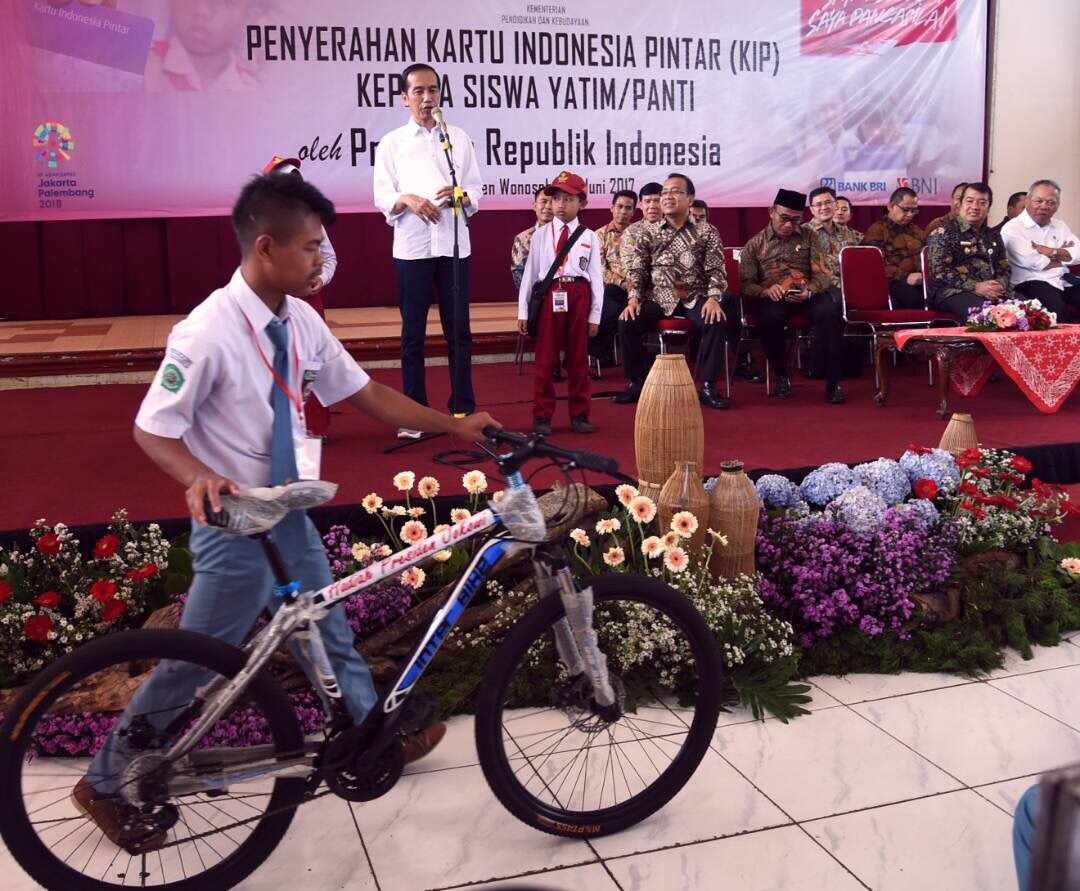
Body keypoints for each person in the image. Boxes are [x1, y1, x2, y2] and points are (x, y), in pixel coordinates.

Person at [74, 173, 498, 853]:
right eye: (309, 248)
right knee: (197, 663)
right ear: (265, 247)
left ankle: (369, 731)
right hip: (236, 523)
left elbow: (367, 394)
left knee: (327, 627)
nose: (320, 261)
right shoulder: (207, 330)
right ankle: (103, 782)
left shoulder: (299, 320)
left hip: (287, 508)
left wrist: (454, 425)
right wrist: (197, 474)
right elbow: (152, 428)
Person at [373, 63, 484, 439]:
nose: (427, 98)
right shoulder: (392, 143)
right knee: (413, 335)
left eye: (433, 90)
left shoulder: (457, 138)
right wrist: (407, 199)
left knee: (460, 333)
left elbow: (476, 190)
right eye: (418, 91)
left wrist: (460, 194)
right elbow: (382, 195)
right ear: (404, 98)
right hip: (412, 248)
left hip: (454, 246)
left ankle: (462, 409)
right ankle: (415, 413)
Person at [614, 173, 734, 410]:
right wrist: (634, 298)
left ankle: (709, 386)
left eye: (675, 191)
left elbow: (716, 269)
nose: (668, 196)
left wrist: (713, 298)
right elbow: (637, 269)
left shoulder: (707, 232)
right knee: (627, 320)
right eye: (665, 192)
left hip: (694, 296)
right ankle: (637, 382)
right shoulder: (647, 232)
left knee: (716, 320)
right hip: (658, 297)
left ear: (690, 199)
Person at [740, 188, 846, 404]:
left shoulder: (810, 236)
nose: (789, 225)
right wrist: (765, 291)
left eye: (795, 220)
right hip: (774, 297)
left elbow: (823, 273)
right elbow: (745, 283)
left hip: (807, 294)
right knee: (768, 319)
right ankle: (782, 376)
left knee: (830, 313)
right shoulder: (755, 244)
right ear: (771, 212)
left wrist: (811, 289)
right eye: (784, 218)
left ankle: (834, 382)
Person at [517, 171, 603, 435]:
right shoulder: (540, 235)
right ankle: (542, 416)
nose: (560, 205)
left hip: (579, 294)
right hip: (551, 293)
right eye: (555, 199)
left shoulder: (589, 236)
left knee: (578, 358)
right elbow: (530, 273)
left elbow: (597, 277)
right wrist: (523, 309)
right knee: (545, 358)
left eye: (568, 199)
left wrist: (595, 315)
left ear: (583, 203)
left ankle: (580, 414)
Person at [264, 155, 337, 437]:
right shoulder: (261, 223)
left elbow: (330, 259)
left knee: (310, 360)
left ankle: (312, 423)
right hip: (274, 301)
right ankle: (278, 422)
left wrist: (320, 278)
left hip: (308, 300)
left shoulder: (312, 221)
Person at [927, 182, 1013, 320]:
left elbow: (1004, 267)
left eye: (982, 202)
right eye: (970, 201)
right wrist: (976, 286)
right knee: (990, 317)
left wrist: (999, 286)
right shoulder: (943, 233)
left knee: (1028, 311)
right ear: (960, 204)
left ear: (989, 208)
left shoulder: (993, 235)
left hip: (992, 292)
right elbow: (939, 273)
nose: (975, 207)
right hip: (952, 293)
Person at [1001, 179, 1080, 320]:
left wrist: (1051, 252)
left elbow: (1078, 254)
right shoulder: (1013, 228)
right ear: (1027, 201)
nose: (1044, 206)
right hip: (1030, 282)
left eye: (1051, 202)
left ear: (1057, 206)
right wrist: (1064, 256)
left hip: (1062, 280)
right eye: (1039, 201)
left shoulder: (1060, 226)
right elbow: (1033, 262)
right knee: (1057, 311)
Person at [144, 0, 258, 92]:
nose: (201, 10)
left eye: (225, 2)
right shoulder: (138, 69)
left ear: (246, 17)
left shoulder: (251, 94)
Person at [589, 189, 637, 365]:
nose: (623, 211)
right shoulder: (598, 235)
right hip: (614, 286)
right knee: (608, 300)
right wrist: (623, 283)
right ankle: (599, 353)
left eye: (628, 208)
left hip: (639, 286)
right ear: (611, 208)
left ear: (634, 211)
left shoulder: (640, 233)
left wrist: (636, 284)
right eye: (620, 206)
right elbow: (599, 268)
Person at [863, 187, 927, 310]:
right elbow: (874, 265)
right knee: (914, 299)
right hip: (890, 281)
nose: (910, 215)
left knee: (937, 296)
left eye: (914, 211)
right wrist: (905, 277)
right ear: (890, 206)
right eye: (905, 210)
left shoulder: (917, 231)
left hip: (919, 279)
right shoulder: (877, 230)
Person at [804, 185, 863, 289]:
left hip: (851, 286)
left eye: (828, 203)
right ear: (812, 209)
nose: (824, 207)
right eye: (818, 204)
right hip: (818, 289)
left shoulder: (849, 234)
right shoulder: (803, 233)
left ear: (835, 205)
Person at [511, 187, 554, 289]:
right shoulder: (522, 239)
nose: (548, 206)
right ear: (535, 206)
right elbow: (518, 271)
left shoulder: (567, 235)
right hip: (535, 296)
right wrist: (533, 296)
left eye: (552, 202)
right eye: (543, 201)